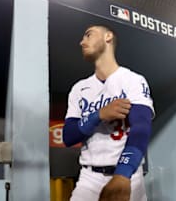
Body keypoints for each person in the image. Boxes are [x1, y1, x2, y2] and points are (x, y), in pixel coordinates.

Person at [62, 25, 155, 201]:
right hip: (89, 178)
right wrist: (99, 115)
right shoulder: (79, 89)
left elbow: (141, 128)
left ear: (108, 37)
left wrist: (123, 174)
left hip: (129, 175)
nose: (82, 42)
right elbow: (68, 136)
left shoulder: (132, 80)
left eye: (88, 35)